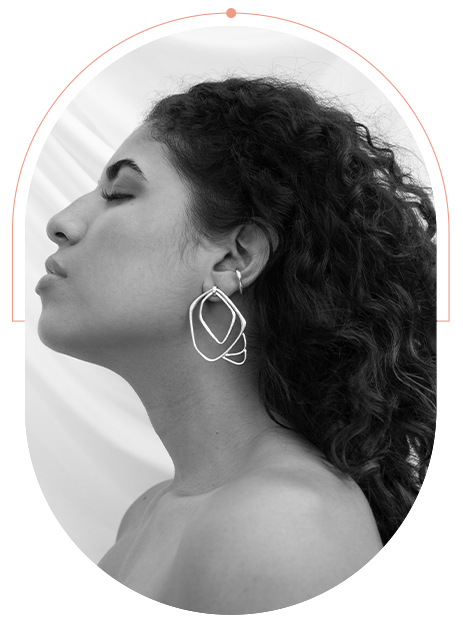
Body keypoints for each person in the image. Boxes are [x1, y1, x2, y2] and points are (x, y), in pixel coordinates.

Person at [35, 76, 437, 614]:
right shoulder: (150, 513)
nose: (61, 223)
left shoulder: (283, 525)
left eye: (120, 194)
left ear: (234, 258)